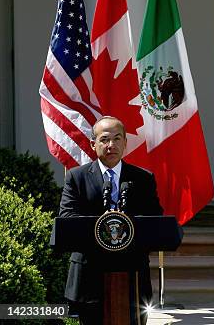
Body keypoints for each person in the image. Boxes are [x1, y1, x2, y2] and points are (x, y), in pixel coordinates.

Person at [59, 116, 163, 325]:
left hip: (132, 274)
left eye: (117, 139)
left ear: (125, 142)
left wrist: (127, 224)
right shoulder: (76, 177)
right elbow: (68, 217)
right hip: (89, 275)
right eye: (105, 139)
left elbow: (155, 219)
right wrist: (102, 224)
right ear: (93, 143)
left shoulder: (143, 178)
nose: (111, 145)